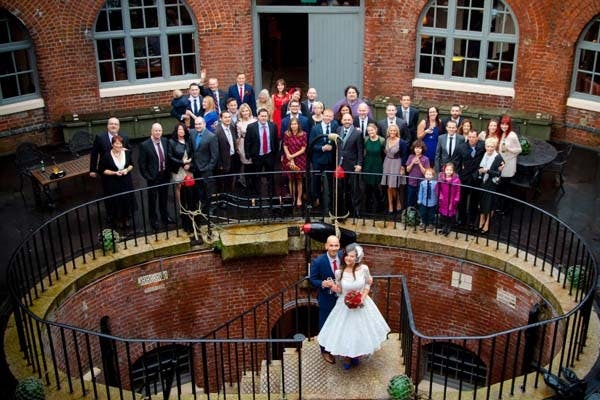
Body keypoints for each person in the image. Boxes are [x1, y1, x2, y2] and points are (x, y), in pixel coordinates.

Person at [317, 243, 391, 369]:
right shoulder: (338, 272)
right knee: (346, 332)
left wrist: (361, 298)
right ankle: (347, 356)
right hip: (344, 306)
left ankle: (356, 355)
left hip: (362, 304)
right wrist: (331, 286)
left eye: (352, 256)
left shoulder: (364, 269)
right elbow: (340, 290)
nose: (348, 258)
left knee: (360, 330)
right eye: (347, 256)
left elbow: (368, 284)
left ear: (357, 258)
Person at [309, 235, 342, 365]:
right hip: (326, 298)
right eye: (331, 245)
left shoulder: (343, 257)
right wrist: (323, 283)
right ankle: (325, 350)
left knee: (341, 322)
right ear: (326, 246)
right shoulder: (318, 262)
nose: (334, 248)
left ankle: (339, 346)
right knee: (325, 324)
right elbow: (312, 279)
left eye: (336, 245)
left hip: (341, 297)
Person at [138, 123, 174, 231]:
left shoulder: (165, 141)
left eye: (160, 130)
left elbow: (168, 157)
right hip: (153, 177)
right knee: (152, 200)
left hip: (164, 175)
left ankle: (165, 216)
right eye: (156, 131)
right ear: (152, 131)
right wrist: (148, 176)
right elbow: (142, 163)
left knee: (163, 198)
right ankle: (153, 220)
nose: (158, 133)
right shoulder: (145, 145)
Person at [99, 135, 135, 229]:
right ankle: (118, 219)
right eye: (116, 144)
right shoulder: (106, 155)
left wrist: (126, 170)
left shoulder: (127, 152)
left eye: (120, 144)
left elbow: (131, 165)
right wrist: (115, 173)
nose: (118, 146)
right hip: (113, 182)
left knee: (126, 199)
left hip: (126, 180)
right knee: (116, 201)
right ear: (112, 144)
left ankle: (126, 218)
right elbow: (102, 170)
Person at [244, 108, 279, 199]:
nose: (263, 118)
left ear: (268, 117)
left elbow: (275, 141)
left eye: (265, 116)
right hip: (257, 156)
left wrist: (276, 154)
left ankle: (271, 195)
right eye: (262, 116)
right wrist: (248, 154)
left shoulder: (273, 126)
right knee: (256, 176)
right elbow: (247, 142)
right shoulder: (251, 127)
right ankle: (257, 195)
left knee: (271, 176)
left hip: (269, 155)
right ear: (258, 116)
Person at [308, 108, 338, 209]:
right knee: (316, 180)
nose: (328, 118)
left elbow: (338, 142)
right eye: (326, 116)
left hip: (330, 159)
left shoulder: (335, 126)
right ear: (322, 115)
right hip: (318, 159)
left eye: (330, 116)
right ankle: (316, 199)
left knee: (330, 181)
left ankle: (330, 201)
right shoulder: (315, 128)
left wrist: (332, 147)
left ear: (333, 117)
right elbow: (311, 145)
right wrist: (322, 148)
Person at [336, 113, 364, 217]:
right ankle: (343, 209)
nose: (347, 121)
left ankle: (356, 210)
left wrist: (359, 164)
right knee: (341, 188)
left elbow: (360, 150)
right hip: (340, 165)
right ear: (342, 120)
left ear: (352, 120)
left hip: (352, 165)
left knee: (354, 188)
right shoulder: (338, 130)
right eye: (345, 119)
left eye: (349, 120)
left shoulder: (357, 133)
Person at [456, 130, 485, 230]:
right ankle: (461, 220)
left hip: (476, 178)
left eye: (474, 137)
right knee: (462, 200)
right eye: (470, 137)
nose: (472, 139)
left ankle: (472, 221)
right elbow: (456, 162)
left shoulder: (482, 146)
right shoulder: (461, 147)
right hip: (464, 178)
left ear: (477, 138)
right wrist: (460, 174)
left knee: (474, 201)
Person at [167, 123, 193, 231]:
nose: (181, 131)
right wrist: (182, 163)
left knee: (190, 186)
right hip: (178, 169)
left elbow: (192, 153)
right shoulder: (171, 142)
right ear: (176, 131)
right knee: (179, 187)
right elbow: (170, 156)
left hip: (188, 168)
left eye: (183, 129)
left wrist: (189, 164)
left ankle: (191, 206)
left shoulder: (188, 140)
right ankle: (181, 208)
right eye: (179, 129)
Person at [190, 117, 219, 215]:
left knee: (209, 189)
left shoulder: (211, 136)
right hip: (196, 168)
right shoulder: (192, 133)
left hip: (207, 169)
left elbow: (214, 156)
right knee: (200, 189)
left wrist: (209, 168)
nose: (197, 126)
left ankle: (212, 207)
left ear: (204, 124)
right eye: (196, 124)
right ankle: (203, 205)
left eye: (199, 124)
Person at [477, 137, 504, 234]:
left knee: (490, 204)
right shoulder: (485, 154)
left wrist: (487, 171)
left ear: (495, 147)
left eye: (492, 147)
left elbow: (498, 174)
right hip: (484, 182)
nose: (489, 148)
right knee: (482, 201)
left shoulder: (498, 157)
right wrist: (481, 171)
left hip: (492, 183)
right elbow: (481, 166)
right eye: (488, 146)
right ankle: (481, 219)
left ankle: (487, 223)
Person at [381, 124, 408, 215]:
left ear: (397, 132)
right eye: (391, 131)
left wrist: (402, 167)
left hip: (397, 164)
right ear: (388, 131)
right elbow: (384, 152)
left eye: (394, 131)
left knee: (394, 185)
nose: (392, 132)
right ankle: (390, 205)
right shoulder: (386, 140)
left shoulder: (402, 142)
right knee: (389, 186)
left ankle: (398, 202)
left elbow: (404, 155)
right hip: (387, 163)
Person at [497, 115, 522, 212]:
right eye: (502, 124)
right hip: (501, 164)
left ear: (509, 125)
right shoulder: (502, 134)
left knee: (505, 187)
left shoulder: (512, 135)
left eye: (506, 124)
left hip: (508, 165)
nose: (504, 126)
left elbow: (519, 149)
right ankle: (500, 206)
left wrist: (509, 149)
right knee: (501, 186)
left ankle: (505, 208)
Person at [282, 118, 307, 208]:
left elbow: (303, 149)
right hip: (288, 159)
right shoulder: (286, 133)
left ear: (298, 125)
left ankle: (299, 198)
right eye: (292, 124)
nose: (294, 126)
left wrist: (292, 156)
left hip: (300, 159)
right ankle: (292, 197)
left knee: (299, 179)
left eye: (295, 124)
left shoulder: (303, 134)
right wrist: (289, 156)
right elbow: (285, 145)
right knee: (291, 179)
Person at [362, 123, 385, 213]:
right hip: (367, 165)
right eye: (368, 131)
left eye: (372, 130)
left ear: (376, 130)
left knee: (377, 187)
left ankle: (380, 207)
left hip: (378, 165)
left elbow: (385, 153)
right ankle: (368, 207)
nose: (370, 132)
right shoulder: (365, 139)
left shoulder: (382, 140)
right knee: (367, 187)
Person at [215, 110, 240, 193]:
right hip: (223, 161)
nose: (227, 119)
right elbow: (216, 150)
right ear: (221, 118)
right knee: (223, 182)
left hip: (232, 158)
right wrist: (220, 164)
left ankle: (230, 196)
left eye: (229, 117)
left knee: (231, 179)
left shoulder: (232, 127)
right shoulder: (217, 132)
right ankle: (223, 200)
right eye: (225, 117)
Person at [436, 162, 461, 236]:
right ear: (444, 170)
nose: (449, 171)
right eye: (447, 170)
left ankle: (448, 227)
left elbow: (458, 190)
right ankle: (444, 227)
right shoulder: (441, 178)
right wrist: (440, 196)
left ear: (453, 171)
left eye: (450, 170)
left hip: (451, 200)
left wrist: (456, 199)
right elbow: (438, 188)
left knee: (450, 215)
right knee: (443, 214)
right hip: (443, 199)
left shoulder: (456, 180)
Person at [236, 103, 257, 185]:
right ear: (240, 113)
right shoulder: (239, 123)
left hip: (254, 144)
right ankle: (247, 183)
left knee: (254, 164)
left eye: (246, 110)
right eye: (243, 111)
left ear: (249, 111)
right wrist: (237, 148)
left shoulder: (255, 120)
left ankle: (254, 183)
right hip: (243, 144)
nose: (245, 112)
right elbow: (238, 137)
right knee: (246, 165)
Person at [405, 140, 430, 208]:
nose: (417, 150)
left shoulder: (426, 159)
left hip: (421, 183)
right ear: (414, 149)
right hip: (411, 183)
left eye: (419, 148)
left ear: (422, 149)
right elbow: (407, 170)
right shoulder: (410, 156)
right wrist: (412, 162)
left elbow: (425, 173)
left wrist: (419, 163)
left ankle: (419, 215)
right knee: (410, 200)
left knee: (420, 200)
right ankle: (410, 215)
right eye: (416, 148)